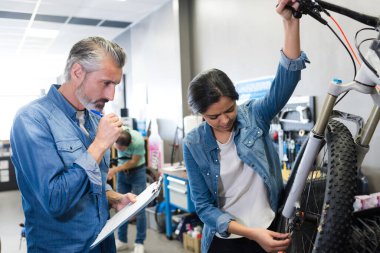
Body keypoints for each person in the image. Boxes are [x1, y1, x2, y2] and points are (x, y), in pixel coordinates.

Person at [183, 1, 310, 252]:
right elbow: (204, 207)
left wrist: (290, 21)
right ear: (199, 114)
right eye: (213, 116)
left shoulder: (254, 116)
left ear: (236, 100)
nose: (224, 120)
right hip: (227, 239)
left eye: (229, 109)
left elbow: (287, 79)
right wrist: (250, 233)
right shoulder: (193, 144)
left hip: (270, 227)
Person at [10, 36, 136, 253]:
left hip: (102, 243)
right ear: (78, 73)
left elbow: (92, 184)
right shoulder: (31, 119)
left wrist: (113, 197)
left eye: (115, 85)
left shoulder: (96, 120)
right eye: (106, 83)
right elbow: (54, 200)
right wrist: (98, 145)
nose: (111, 95)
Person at [107, 127, 147, 253]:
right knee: (121, 207)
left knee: (139, 208)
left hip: (137, 171)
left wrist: (114, 170)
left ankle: (139, 242)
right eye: (117, 147)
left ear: (129, 145)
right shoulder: (116, 133)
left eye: (122, 149)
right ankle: (122, 240)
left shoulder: (138, 141)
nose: (119, 150)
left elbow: (133, 162)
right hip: (123, 173)